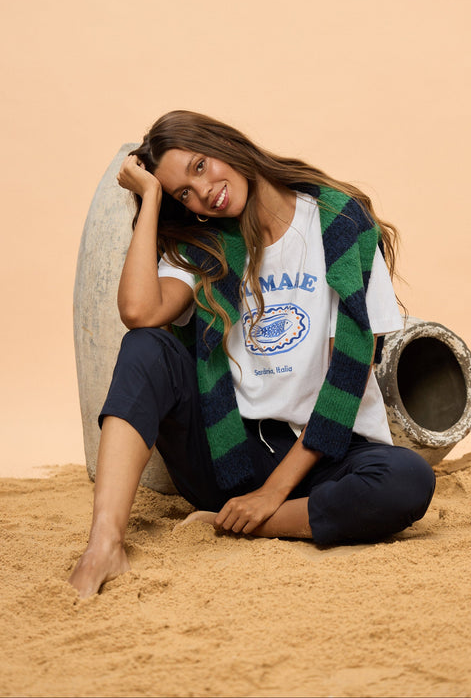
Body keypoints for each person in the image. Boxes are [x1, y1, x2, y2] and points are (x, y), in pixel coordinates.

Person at [68, 110, 436, 598]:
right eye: (184, 193)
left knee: (408, 479)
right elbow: (139, 312)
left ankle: (239, 522)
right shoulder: (206, 245)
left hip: (324, 452)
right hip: (228, 454)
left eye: (200, 166)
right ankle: (104, 545)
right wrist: (153, 196)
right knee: (147, 345)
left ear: (224, 143)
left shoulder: (340, 224)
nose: (204, 193)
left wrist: (271, 494)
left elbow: (348, 375)